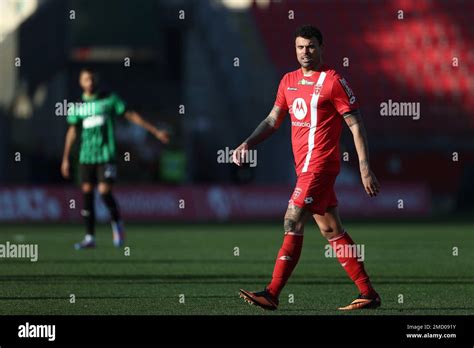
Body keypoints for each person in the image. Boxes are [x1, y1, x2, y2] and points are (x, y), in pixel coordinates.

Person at [233, 25, 381, 311]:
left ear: (321, 48)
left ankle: (272, 292)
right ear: (295, 49)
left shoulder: (333, 81)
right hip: (305, 169)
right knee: (331, 230)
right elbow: (273, 119)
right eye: (300, 47)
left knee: (292, 219)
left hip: (321, 164)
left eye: (311, 46)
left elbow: (356, 125)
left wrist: (364, 167)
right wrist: (248, 143)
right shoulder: (287, 81)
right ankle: (368, 292)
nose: (305, 52)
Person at [61, 67, 169, 249]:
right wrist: (65, 158)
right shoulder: (77, 106)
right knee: (87, 194)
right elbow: (72, 131)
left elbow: (131, 115)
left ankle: (117, 225)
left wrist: (155, 131)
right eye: (86, 79)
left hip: (105, 155)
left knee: (104, 192)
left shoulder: (110, 99)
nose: (90, 82)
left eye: (92, 78)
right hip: (86, 156)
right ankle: (89, 237)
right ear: (81, 82)